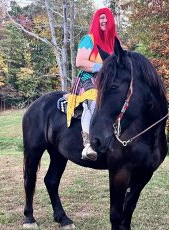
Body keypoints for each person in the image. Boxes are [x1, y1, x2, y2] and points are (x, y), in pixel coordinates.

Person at [67, 8, 118, 161]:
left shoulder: (115, 42)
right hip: (88, 79)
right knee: (94, 101)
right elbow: (80, 62)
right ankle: (88, 144)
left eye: (107, 19)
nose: (104, 21)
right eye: (101, 18)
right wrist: (103, 67)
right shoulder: (89, 39)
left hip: (108, 81)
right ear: (97, 21)